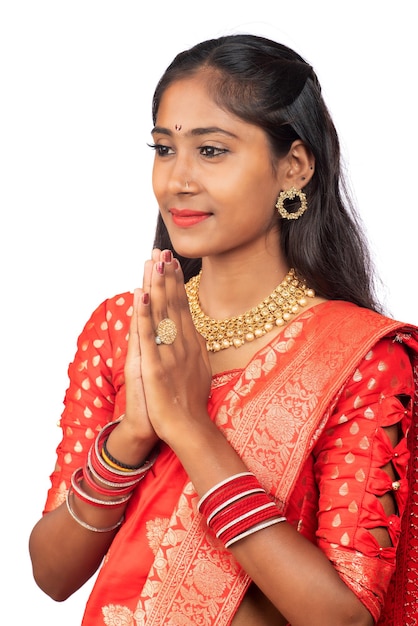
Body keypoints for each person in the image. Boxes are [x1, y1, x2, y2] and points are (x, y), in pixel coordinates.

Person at [29, 34, 418, 626]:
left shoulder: (361, 358)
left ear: (294, 166)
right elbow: (51, 575)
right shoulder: (122, 329)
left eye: (211, 151)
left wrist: (188, 425)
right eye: (164, 149)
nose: (177, 180)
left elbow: (343, 618)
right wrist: (131, 436)